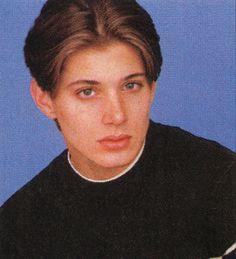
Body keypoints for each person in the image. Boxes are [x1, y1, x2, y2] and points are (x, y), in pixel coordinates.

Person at [0, 0, 235, 258]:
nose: (116, 115)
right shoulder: (16, 229)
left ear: (151, 89)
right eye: (87, 92)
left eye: (131, 86)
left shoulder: (220, 180)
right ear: (45, 99)